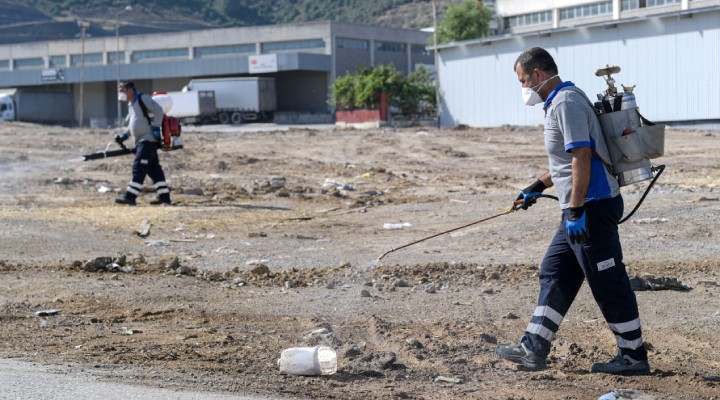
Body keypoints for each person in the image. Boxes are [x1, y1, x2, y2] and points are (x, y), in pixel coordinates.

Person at [494, 47, 650, 375]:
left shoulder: (565, 103)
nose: (523, 88)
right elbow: (568, 161)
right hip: (578, 209)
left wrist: (576, 210)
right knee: (554, 271)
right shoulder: (560, 102)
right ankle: (532, 348)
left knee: (607, 281)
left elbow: (581, 156)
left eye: (523, 81)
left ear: (538, 74)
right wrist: (537, 186)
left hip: (590, 208)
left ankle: (633, 356)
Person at [114, 81, 172, 206]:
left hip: (147, 140)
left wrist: (156, 126)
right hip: (141, 141)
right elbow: (133, 124)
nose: (121, 93)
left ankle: (130, 196)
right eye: (120, 90)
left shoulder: (142, 98)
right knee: (154, 170)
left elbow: (158, 110)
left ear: (131, 90)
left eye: (123, 90)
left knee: (139, 167)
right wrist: (124, 136)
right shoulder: (131, 104)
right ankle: (164, 197)